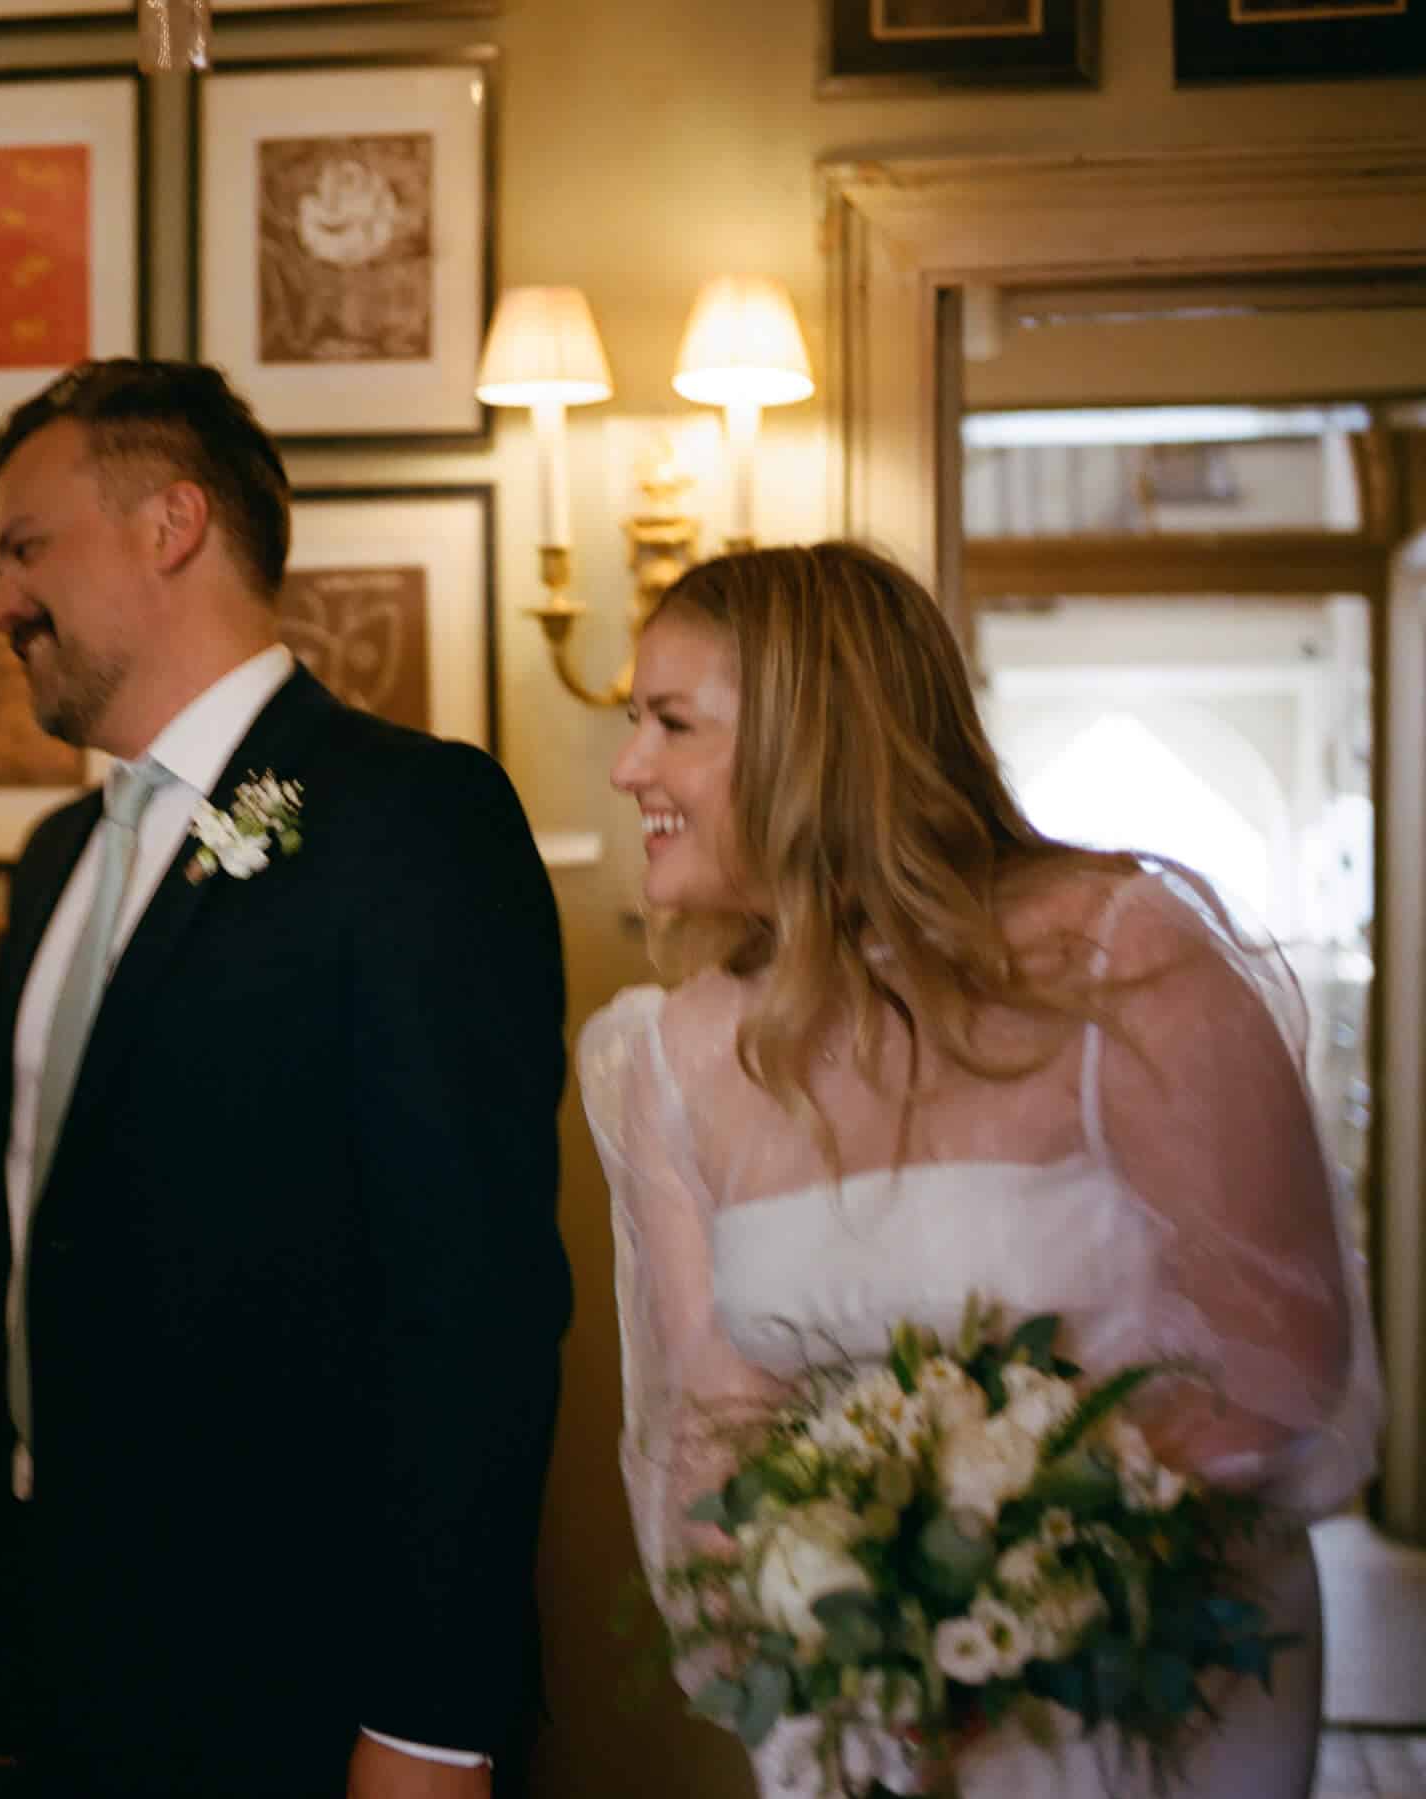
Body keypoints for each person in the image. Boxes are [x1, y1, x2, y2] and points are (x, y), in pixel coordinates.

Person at [580, 541, 1383, 1798]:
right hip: (854, 1720)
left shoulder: (1120, 956)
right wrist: (833, 1639)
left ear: (813, 734)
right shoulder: (670, 1053)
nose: (628, 767)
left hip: (1141, 1697)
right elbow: (710, 1426)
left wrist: (1022, 1581)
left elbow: (1286, 1356)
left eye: (669, 723)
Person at [0, 358, 572, 1799]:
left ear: (172, 525)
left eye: (26, 548)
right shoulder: (54, 865)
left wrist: (432, 1718)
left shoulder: (411, 821)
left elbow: (475, 1309)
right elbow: (9, 1243)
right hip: (49, 1650)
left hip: (302, 1675)